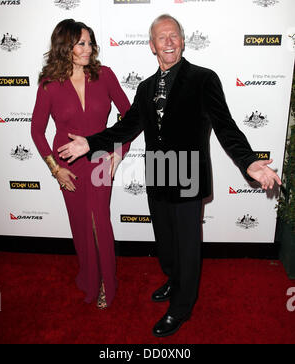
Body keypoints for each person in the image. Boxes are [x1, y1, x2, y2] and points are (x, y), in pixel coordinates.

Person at [57, 15, 282, 336]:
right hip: (158, 173)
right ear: (152, 46)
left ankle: (182, 306)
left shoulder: (204, 79)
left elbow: (226, 126)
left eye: (174, 36)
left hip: (189, 173)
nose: (169, 42)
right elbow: (127, 126)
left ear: (182, 41)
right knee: (166, 243)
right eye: (162, 37)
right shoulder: (147, 87)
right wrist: (90, 143)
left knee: (188, 246)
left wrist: (248, 162)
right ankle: (174, 279)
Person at [31, 19, 130, 308]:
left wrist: (118, 151)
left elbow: (129, 115)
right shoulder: (49, 85)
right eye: (81, 43)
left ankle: (106, 284)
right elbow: (37, 131)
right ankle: (89, 275)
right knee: (81, 226)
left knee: (99, 221)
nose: (88, 49)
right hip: (68, 166)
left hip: (99, 161)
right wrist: (55, 169)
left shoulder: (106, 76)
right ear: (65, 46)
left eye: (90, 42)